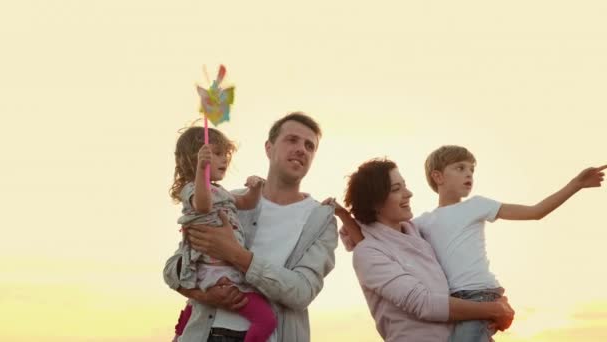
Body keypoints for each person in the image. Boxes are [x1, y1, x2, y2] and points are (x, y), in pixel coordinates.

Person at [164, 112, 338, 342]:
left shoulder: (320, 220)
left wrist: (236, 255)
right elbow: (173, 270)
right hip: (203, 332)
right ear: (269, 148)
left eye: (309, 146)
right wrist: (205, 295)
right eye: (292, 140)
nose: (301, 149)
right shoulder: (227, 201)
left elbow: (302, 292)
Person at [413, 145, 605, 341]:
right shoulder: (422, 222)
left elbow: (536, 212)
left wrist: (576, 184)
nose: (469, 174)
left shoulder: (477, 205)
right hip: (454, 303)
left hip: (481, 294)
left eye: (472, 169)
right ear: (438, 177)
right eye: (460, 168)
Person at [330, 158, 515, 342]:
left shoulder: (417, 232)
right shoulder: (369, 254)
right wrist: (493, 309)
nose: (408, 193)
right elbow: (423, 304)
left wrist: (494, 303)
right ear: (374, 203)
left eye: (404, 185)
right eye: (396, 189)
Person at [169, 126, 276, 342]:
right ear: (196, 158)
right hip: (214, 270)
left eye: (225, 154)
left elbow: (246, 202)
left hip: (226, 267)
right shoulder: (192, 189)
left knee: (195, 311)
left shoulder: (220, 191)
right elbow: (203, 205)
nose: (224, 159)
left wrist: (255, 189)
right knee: (266, 320)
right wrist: (201, 170)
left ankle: (181, 334)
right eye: (216, 153)